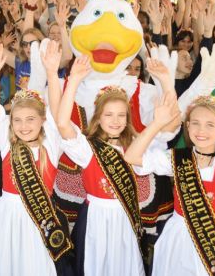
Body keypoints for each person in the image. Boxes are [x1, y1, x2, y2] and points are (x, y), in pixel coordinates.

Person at [56, 55, 179, 276]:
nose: (115, 120)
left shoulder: (136, 145)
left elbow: (169, 127)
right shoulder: (88, 148)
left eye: (121, 115)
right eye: (109, 115)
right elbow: (63, 123)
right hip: (94, 218)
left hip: (126, 219)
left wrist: (167, 83)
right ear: (98, 117)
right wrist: (73, 81)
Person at [124, 95, 215, 276]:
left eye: (210, 125)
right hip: (174, 241)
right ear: (187, 127)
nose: (201, 130)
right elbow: (132, 157)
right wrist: (156, 124)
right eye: (195, 123)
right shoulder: (177, 157)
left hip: (209, 246)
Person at [0, 42, 73, 276]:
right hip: (7, 216)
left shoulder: (52, 143)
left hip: (40, 218)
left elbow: (58, 110)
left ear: (42, 120)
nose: (23, 126)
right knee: (4, 262)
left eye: (31, 119)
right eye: (17, 120)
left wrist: (52, 73)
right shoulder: (7, 142)